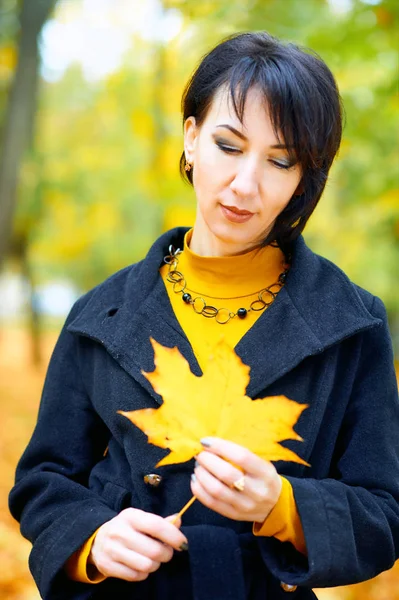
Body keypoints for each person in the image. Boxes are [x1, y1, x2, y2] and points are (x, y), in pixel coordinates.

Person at [9, 31, 399, 600]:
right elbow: (43, 482)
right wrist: (92, 543)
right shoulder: (99, 316)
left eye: (280, 160)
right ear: (191, 139)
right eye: (228, 144)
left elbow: (384, 514)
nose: (245, 184)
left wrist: (282, 506)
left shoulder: (352, 324)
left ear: (301, 180)